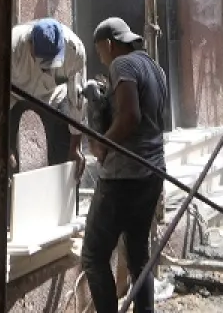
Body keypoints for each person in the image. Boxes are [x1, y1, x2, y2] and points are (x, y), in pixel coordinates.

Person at [81, 17, 170, 313]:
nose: (102, 59)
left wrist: (103, 142)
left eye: (99, 52)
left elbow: (130, 116)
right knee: (137, 255)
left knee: (94, 255)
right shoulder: (155, 68)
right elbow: (145, 116)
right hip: (152, 172)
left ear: (109, 44)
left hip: (124, 176)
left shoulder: (123, 65)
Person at [0, 17, 87, 172]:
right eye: (43, 62)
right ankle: (9, 192)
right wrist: (2, 148)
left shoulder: (75, 51)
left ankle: (61, 191)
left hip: (54, 94)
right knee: (6, 163)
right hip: (13, 94)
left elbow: (77, 102)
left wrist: (75, 147)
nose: (48, 69)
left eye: (53, 61)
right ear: (30, 45)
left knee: (65, 160)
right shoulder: (10, 47)